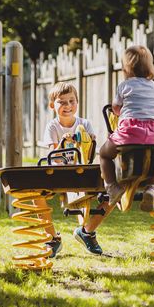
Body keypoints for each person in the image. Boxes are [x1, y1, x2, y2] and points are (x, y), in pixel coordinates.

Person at [37, 82, 115, 257]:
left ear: (77, 103)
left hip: (81, 173)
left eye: (72, 101)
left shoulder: (84, 124)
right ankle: (52, 238)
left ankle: (87, 231)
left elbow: (90, 150)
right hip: (59, 174)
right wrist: (64, 142)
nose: (68, 106)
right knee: (35, 196)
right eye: (62, 102)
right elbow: (53, 155)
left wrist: (90, 139)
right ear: (52, 105)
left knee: (114, 192)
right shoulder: (52, 127)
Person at [99, 45, 154, 212]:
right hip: (153, 133)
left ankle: (112, 187)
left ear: (126, 68)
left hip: (130, 132)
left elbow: (115, 108)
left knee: (104, 154)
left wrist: (119, 111)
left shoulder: (124, 85)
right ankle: (152, 188)